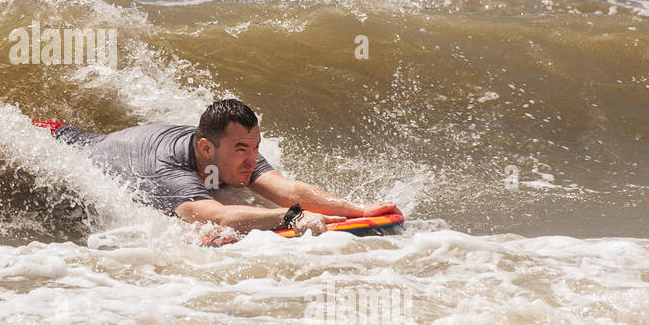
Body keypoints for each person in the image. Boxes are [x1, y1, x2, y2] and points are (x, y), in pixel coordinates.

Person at [36, 98, 401, 236]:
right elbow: (217, 216)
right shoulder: (168, 172)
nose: (252, 158)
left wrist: (356, 209)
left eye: (255, 147)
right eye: (242, 149)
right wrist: (292, 219)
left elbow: (286, 189)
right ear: (207, 147)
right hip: (52, 143)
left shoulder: (236, 152)